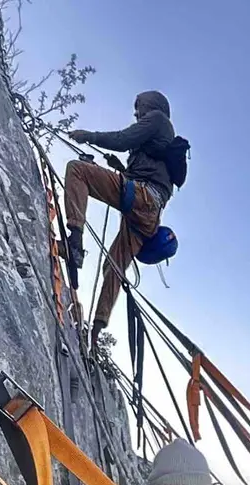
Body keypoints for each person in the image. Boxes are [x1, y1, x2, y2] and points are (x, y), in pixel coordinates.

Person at [64, 91, 178, 343]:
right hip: (148, 213)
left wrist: (89, 136)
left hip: (143, 197)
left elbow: (123, 139)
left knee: (78, 171)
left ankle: (74, 241)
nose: (137, 113)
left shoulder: (158, 119)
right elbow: (150, 173)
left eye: (140, 107)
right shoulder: (161, 137)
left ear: (152, 105)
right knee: (113, 267)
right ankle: (95, 331)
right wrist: (121, 169)